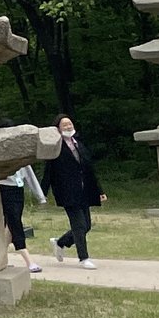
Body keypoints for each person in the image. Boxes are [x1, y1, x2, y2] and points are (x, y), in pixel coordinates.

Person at [45, 114, 102, 268]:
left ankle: (60, 242)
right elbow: (49, 172)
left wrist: (99, 190)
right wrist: (42, 192)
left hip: (84, 191)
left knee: (87, 225)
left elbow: (89, 169)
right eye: (64, 125)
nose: (68, 127)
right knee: (79, 225)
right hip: (67, 192)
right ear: (58, 129)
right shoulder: (56, 147)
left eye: (69, 124)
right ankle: (84, 258)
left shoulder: (78, 144)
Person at [0, 158, 45, 274]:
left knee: (10, 226)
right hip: (2, 187)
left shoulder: (20, 156)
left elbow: (29, 174)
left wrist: (40, 196)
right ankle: (28, 259)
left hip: (18, 188)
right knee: (15, 223)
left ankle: (0, 259)